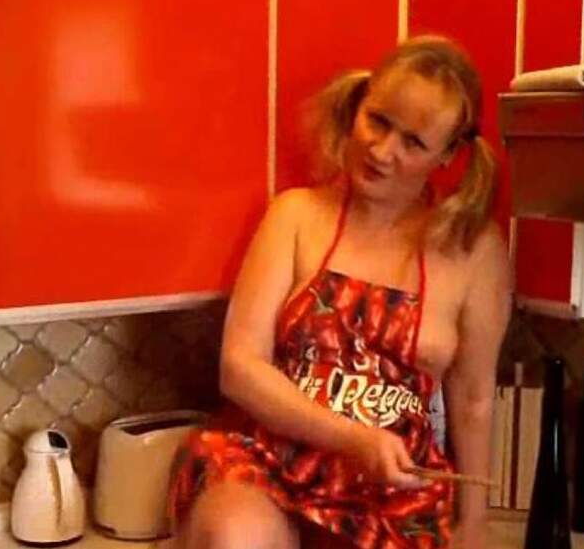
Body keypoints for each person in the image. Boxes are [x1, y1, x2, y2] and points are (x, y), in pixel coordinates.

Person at [168, 35, 511, 549]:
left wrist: (474, 521)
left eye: (413, 143)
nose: (382, 150)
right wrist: (354, 438)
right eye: (379, 120)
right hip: (264, 462)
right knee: (236, 536)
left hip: (390, 491)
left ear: (448, 155)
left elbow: (474, 399)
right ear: (359, 104)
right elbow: (240, 368)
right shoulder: (294, 215)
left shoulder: (475, 251)